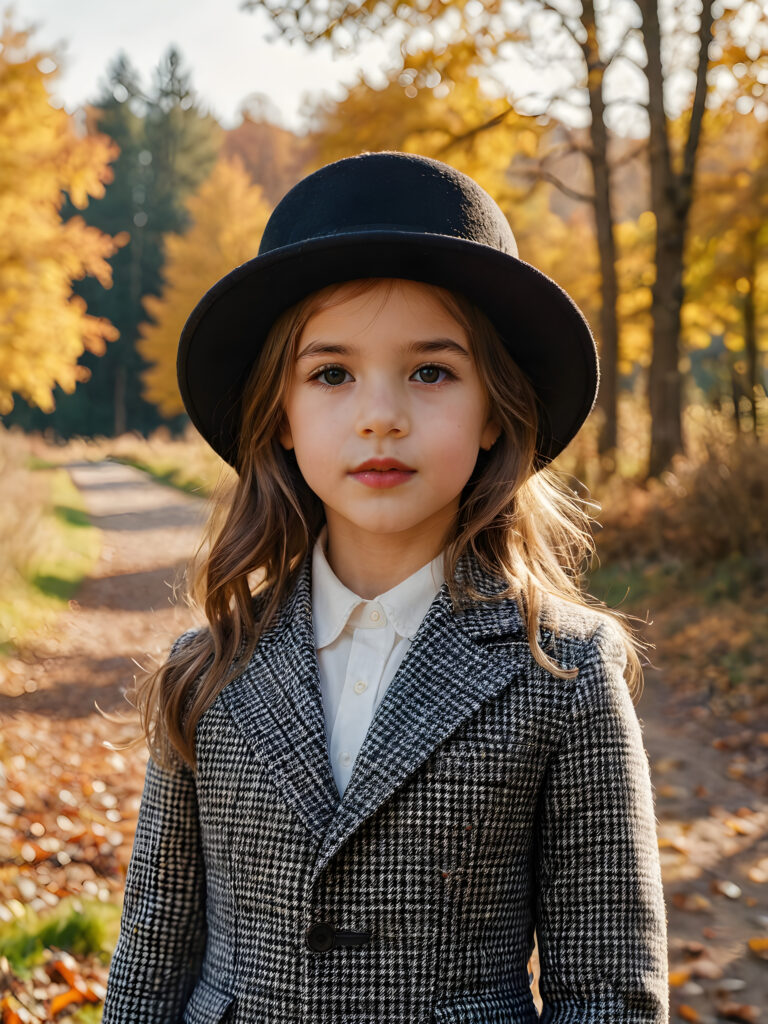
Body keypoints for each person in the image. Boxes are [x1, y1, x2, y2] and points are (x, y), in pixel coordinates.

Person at [101, 151, 669, 1023]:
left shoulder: (564, 674)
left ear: (494, 412)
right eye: (332, 373)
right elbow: (150, 961)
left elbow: (609, 994)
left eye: (431, 372)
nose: (381, 414)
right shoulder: (205, 668)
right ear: (281, 416)